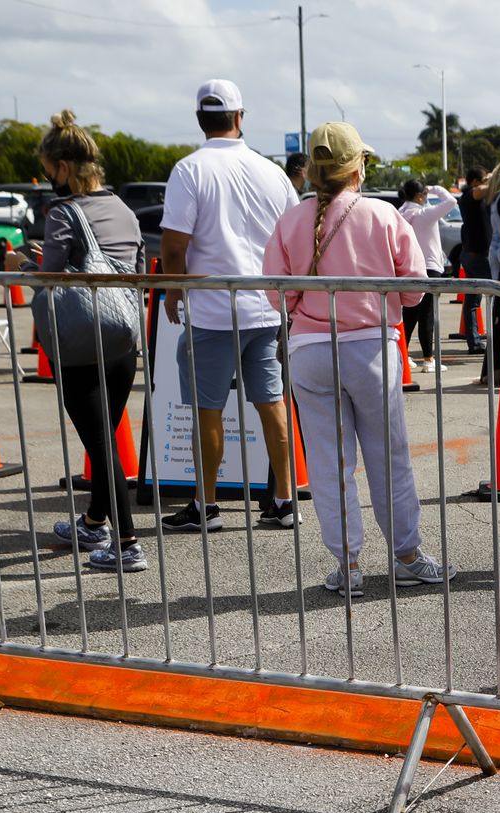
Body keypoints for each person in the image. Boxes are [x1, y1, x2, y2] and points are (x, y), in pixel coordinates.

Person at [262, 122, 453, 597]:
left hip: (309, 351)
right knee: (389, 457)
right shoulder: (384, 216)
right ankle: (407, 555)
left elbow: (275, 293)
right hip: (372, 348)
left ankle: (347, 565)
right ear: (357, 168)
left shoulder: (290, 220)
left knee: (329, 463)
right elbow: (412, 292)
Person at [5, 111, 149, 572]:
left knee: (99, 441)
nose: (48, 178)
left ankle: (126, 543)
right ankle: (93, 521)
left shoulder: (64, 212)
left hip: (82, 339)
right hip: (123, 336)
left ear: (63, 168)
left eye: (48, 170)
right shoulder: (124, 210)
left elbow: (51, 274)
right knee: (104, 432)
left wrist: (20, 267)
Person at [158, 79, 303, 534]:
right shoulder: (271, 171)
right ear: (240, 117)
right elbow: (293, 236)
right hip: (265, 307)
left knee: (208, 409)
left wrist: (174, 291)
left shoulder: (189, 170)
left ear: (200, 119)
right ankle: (284, 498)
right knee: (272, 402)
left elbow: (175, 245)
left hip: (212, 311)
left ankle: (207, 505)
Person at [396, 178, 456, 373]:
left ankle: (403, 354)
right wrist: (435, 188)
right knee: (427, 313)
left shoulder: (400, 213)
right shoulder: (425, 214)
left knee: (410, 312)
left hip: (409, 267)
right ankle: (428, 359)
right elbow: (451, 201)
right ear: (421, 196)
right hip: (430, 267)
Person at [455, 166, 491, 358]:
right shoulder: (469, 195)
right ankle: (476, 341)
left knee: (472, 300)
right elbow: (481, 191)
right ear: (476, 181)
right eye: (484, 179)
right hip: (476, 255)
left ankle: (475, 339)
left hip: (473, 253)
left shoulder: (476, 197)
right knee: (486, 297)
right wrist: (497, 177)